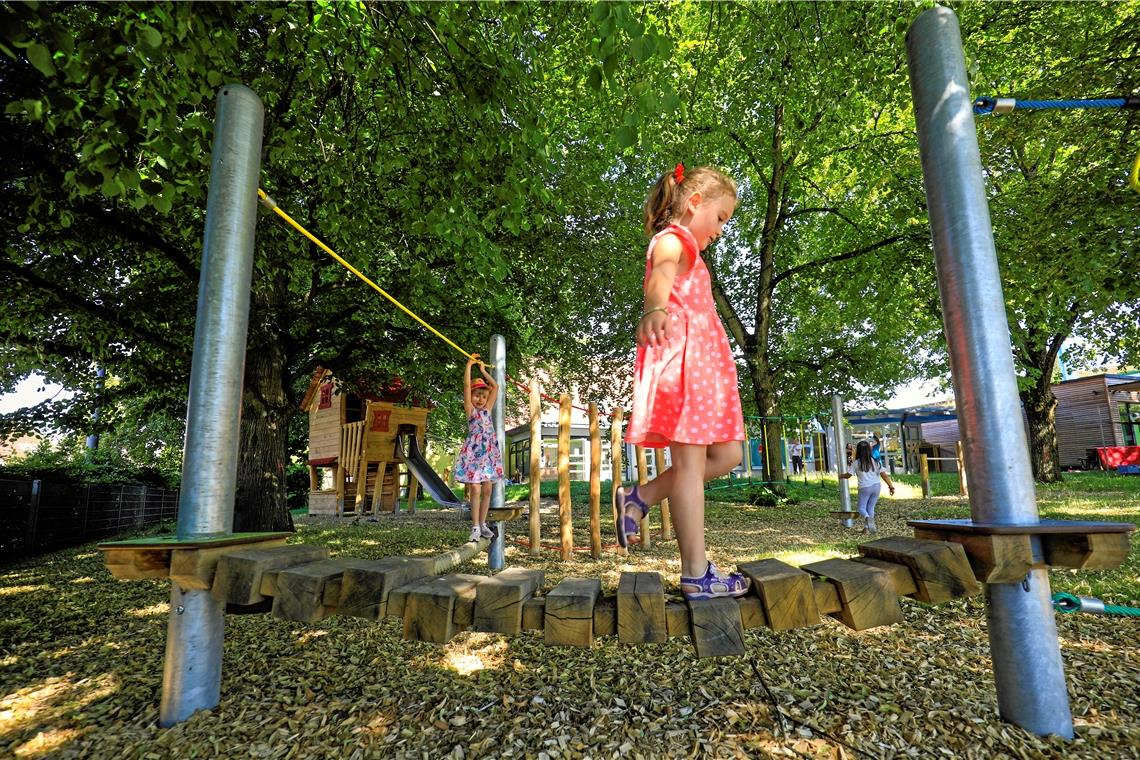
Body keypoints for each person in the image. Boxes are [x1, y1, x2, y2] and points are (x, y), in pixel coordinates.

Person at [615, 163, 751, 601]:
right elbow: (662, 272)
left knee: (728, 454)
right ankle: (696, 572)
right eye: (721, 218)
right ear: (694, 203)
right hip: (685, 365)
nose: (722, 229)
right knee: (691, 466)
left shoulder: (693, 245)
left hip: (704, 369)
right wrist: (654, 308)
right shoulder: (676, 240)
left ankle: (641, 496)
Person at [454, 354, 503, 541]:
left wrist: (483, 370)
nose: (480, 399)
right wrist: (469, 365)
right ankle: (474, 526)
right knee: (475, 489)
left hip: (489, 453)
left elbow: (496, 387)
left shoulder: (488, 409)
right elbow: (467, 387)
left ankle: (482, 524)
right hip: (474, 453)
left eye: (483, 395)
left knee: (488, 489)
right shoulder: (471, 410)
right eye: (477, 395)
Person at [839, 439, 895, 534]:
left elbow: (848, 475)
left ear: (858, 451)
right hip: (877, 486)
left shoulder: (856, 463)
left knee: (861, 508)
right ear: (869, 450)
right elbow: (884, 475)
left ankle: (867, 518)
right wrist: (891, 487)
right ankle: (867, 529)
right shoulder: (875, 461)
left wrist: (841, 476)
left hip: (865, 487)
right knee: (871, 508)